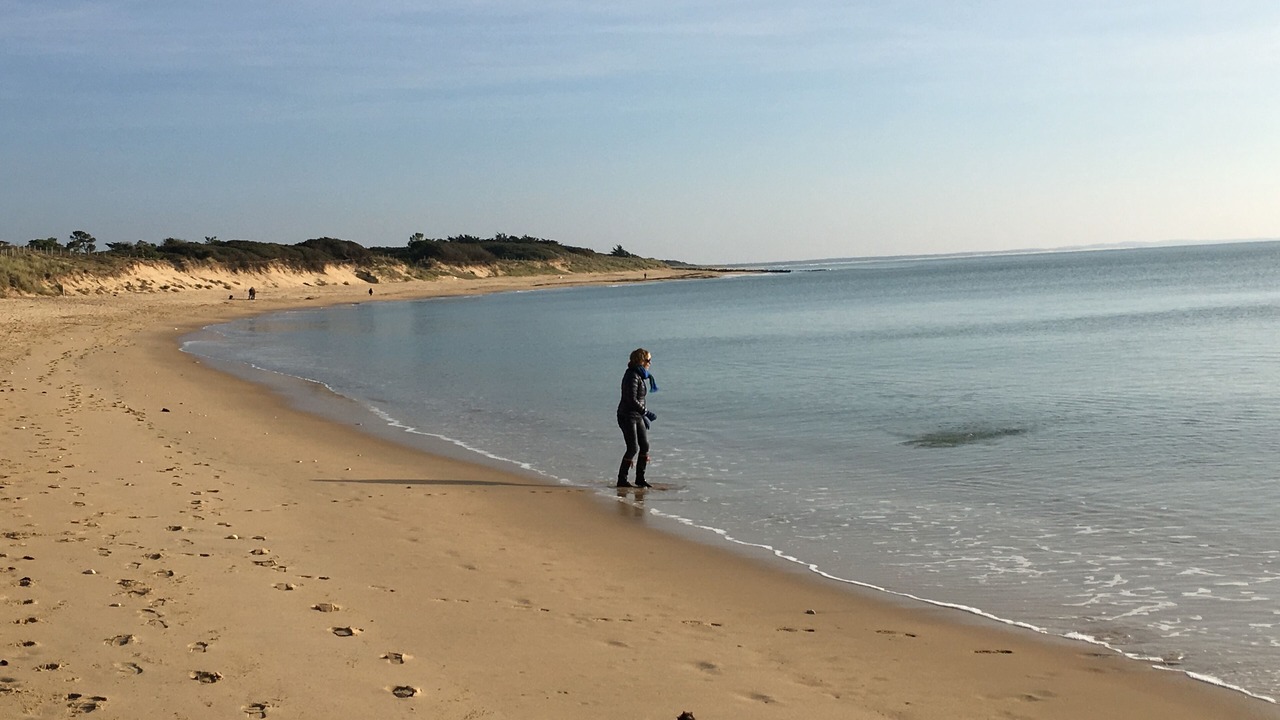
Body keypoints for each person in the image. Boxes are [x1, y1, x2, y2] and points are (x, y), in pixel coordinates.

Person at [616, 348, 658, 488]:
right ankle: (622, 480)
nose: (650, 363)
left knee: (644, 445)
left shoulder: (640, 375)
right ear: (640, 360)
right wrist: (646, 412)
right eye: (648, 360)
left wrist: (642, 414)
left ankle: (640, 478)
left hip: (637, 415)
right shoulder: (632, 375)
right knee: (632, 448)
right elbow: (631, 399)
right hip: (627, 415)